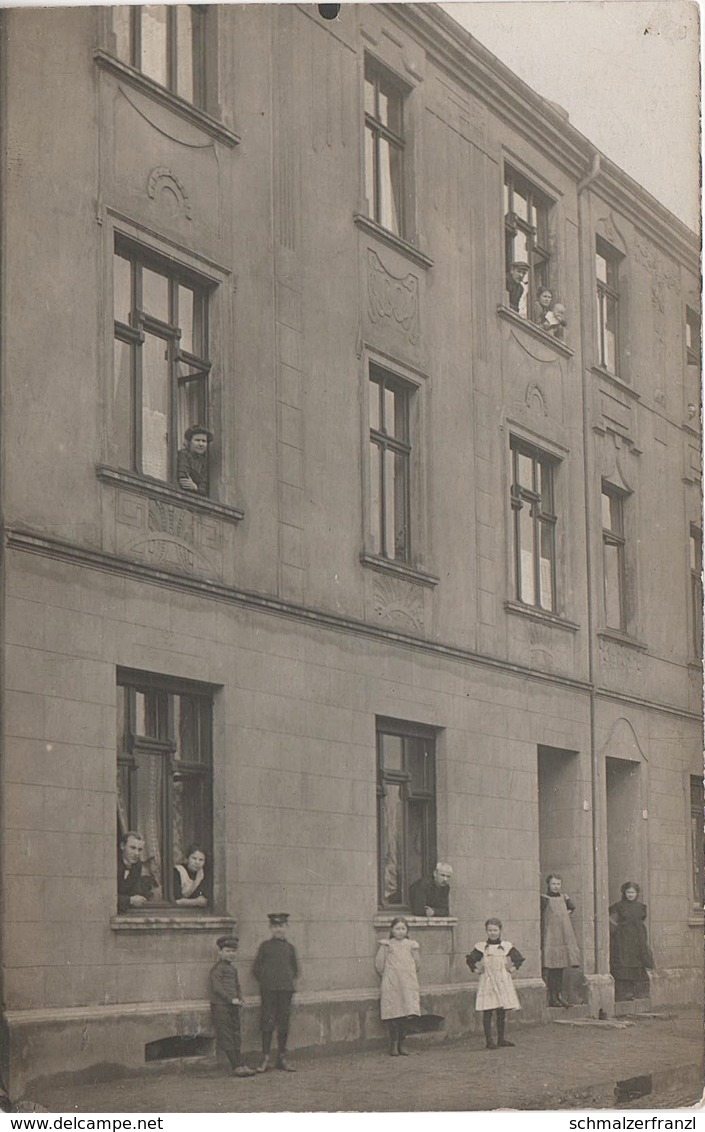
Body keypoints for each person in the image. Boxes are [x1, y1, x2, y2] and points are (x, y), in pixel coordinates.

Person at [466, 917, 524, 1050]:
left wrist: (512, 969)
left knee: (501, 1010)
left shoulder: (506, 946)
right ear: (486, 931)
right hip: (488, 980)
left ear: (500, 930)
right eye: (490, 930)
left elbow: (518, 959)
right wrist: (476, 970)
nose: (492, 933)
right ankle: (489, 1040)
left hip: (502, 980)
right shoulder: (481, 947)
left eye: (495, 930)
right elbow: (470, 960)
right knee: (488, 1010)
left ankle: (501, 1039)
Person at [253, 913, 299, 1072]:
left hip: (285, 990)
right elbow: (256, 969)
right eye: (275, 926)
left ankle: (282, 1057)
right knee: (267, 1022)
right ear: (270, 928)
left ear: (286, 928)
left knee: (284, 1023)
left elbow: (295, 970)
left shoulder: (290, 948)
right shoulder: (265, 947)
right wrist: (268, 982)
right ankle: (265, 1057)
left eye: (281, 926)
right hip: (269, 991)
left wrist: (284, 981)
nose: (278, 929)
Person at [209, 936, 257, 1077]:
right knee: (226, 1035)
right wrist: (231, 1000)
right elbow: (217, 988)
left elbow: (237, 986)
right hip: (221, 1006)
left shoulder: (233, 969)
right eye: (227, 950)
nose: (231, 954)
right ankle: (235, 1066)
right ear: (220, 952)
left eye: (233, 951)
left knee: (236, 1034)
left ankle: (241, 1064)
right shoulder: (217, 969)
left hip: (233, 1005)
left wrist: (240, 998)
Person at [375, 916, 421, 1057]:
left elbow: (417, 964)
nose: (400, 932)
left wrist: (408, 975)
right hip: (392, 982)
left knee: (406, 1012)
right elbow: (379, 964)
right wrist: (389, 975)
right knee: (393, 1012)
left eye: (403, 929)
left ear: (407, 930)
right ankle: (393, 1044)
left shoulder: (411, 945)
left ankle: (402, 1043)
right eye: (397, 928)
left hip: (407, 983)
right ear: (392, 930)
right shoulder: (387, 945)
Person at [609, 882, 654, 1001]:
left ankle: (634, 991)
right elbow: (607, 915)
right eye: (628, 892)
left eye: (633, 892)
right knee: (624, 961)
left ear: (637, 893)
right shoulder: (619, 906)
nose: (630, 895)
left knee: (636, 961)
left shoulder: (641, 907)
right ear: (624, 893)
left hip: (637, 938)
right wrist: (616, 927)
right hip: (623, 938)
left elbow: (641, 920)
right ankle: (624, 992)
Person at [540, 873, 581, 1007]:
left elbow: (572, 908)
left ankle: (559, 995)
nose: (556, 887)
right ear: (548, 885)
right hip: (551, 936)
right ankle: (552, 997)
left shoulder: (564, 898)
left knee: (561, 968)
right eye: (553, 884)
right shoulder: (544, 898)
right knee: (552, 969)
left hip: (563, 935)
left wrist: (563, 917)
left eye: (558, 884)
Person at [117, 831, 153, 913]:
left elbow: (135, 892)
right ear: (122, 846)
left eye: (139, 849)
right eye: (132, 848)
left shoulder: (137, 865)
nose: (136, 853)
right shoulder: (113, 864)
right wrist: (129, 900)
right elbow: (107, 896)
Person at [177, 425, 214, 495]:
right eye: (197, 440)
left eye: (204, 441)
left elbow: (206, 487)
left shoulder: (205, 462)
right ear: (189, 442)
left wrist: (196, 487)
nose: (201, 444)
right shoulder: (183, 455)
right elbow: (183, 479)